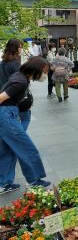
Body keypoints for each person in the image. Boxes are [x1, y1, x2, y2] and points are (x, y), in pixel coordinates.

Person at [0, 57, 50, 193]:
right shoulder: (20, 81)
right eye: (44, 71)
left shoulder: (20, 77)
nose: (45, 74)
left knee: (7, 150)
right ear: (36, 69)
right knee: (27, 148)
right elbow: (1, 97)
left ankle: (4, 183)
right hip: (6, 115)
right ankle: (35, 180)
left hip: (6, 114)